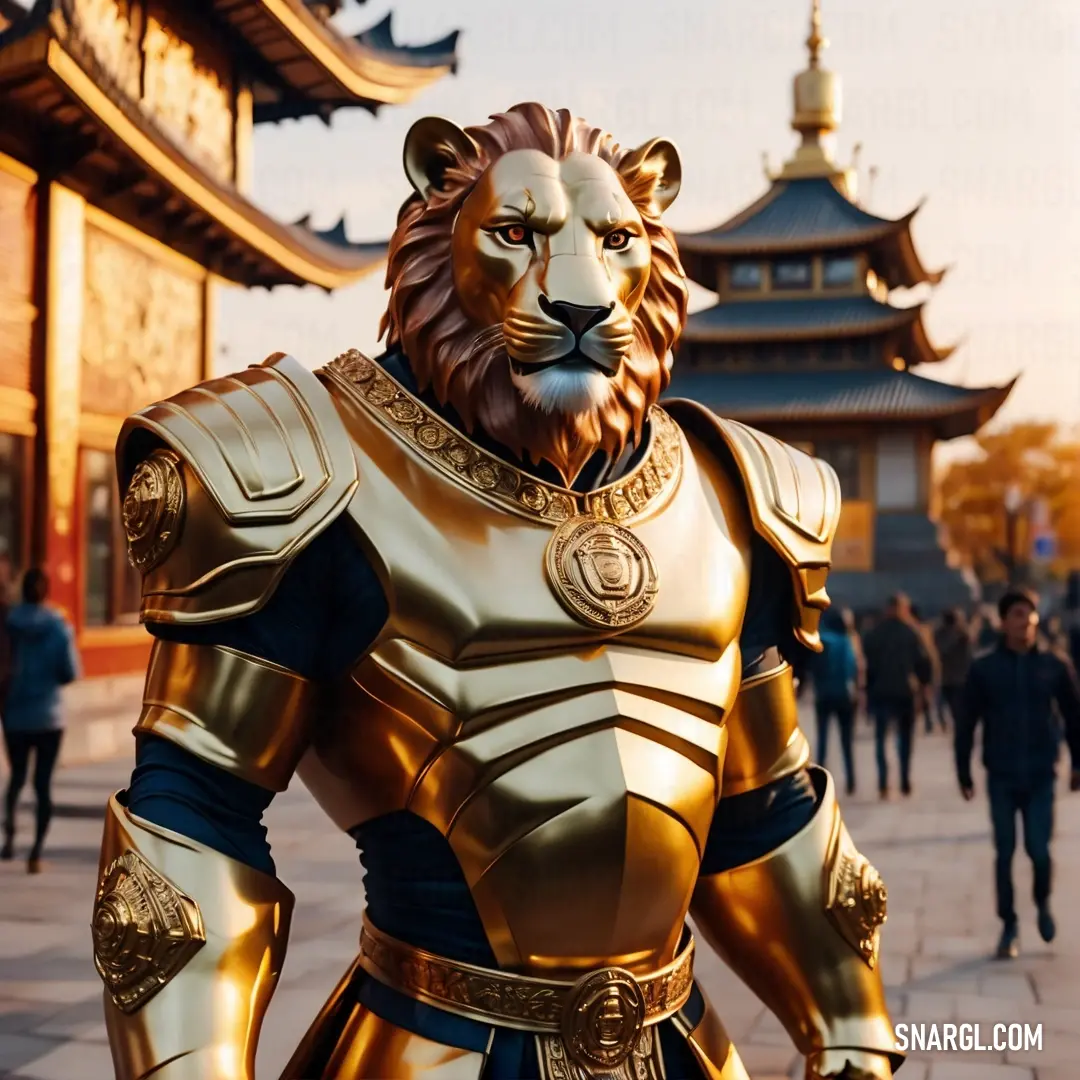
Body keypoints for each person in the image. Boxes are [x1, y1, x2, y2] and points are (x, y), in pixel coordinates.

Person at [91, 104, 900, 1079]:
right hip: (426, 1043)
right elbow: (193, 814)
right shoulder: (290, 466)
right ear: (439, 225)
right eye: (516, 236)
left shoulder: (738, 492)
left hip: (682, 1045)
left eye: (614, 241)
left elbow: (763, 808)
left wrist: (850, 1023)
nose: (578, 290)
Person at [956, 588, 1080, 960]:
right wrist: (963, 770)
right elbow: (966, 722)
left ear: (1036, 619)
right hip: (1002, 774)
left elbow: (1074, 717)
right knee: (1005, 850)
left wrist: (1077, 763)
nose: (1023, 621)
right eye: (1015, 614)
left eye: (1028, 614)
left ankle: (1042, 902)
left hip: (1042, 772)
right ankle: (1008, 924)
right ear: (1003, 621)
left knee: (1039, 850)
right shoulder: (984, 668)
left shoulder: (1054, 665)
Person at [1, 569, 80, 873]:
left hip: (15, 714)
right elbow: (69, 673)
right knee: (42, 785)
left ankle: (8, 840)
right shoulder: (59, 627)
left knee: (17, 777)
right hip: (49, 716)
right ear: (47, 591)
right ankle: (35, 853)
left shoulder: (8, 624)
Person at [862, 592, 934, 797]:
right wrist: (925, 685)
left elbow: (869, 666)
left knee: (881, 739)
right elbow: (925, 661)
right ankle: (904, 780)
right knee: (905, 739)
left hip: (882, 691)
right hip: (906, 691)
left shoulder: (876, 633)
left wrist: (867, 690)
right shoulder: (912, 632)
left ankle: (884, 782)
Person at [809, 607, 860, 794]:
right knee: (846, 741)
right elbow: (853, 668)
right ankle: (851, 780)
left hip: (823, 695)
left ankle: (819, 780)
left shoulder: (821, 641)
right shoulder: (847, 642)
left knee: (822, 738)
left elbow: (812, 667)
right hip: (844, 696)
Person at [933, 608, 973, 731]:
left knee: (954, 708)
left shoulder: (961, 635)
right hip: (952, 677)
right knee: (950, 707)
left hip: (954, 678)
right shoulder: (957, 635)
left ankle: (956, 727)